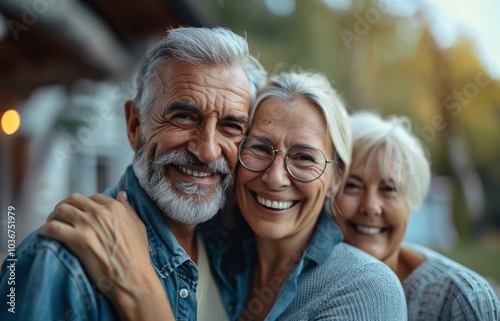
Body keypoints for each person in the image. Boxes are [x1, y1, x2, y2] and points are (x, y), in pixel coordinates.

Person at [39, 71, 408, 320]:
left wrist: (141, 290)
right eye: (259, 149)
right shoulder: (220, 253)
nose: (276, 177)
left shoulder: (364, 288)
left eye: (304, 158)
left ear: (335, 177)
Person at [0, 26, 266, 321]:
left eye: (231, 126)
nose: (207, 151)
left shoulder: (239, 256)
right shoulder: (59, 262)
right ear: (134, 126)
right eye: (184, 117)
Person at [334, 111, 500, 320]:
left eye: (390, 189)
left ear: (412, 201)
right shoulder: (300, 282)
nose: (371, 206)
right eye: (353, 186)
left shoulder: (462, 301)